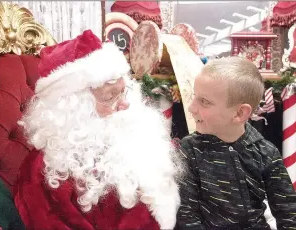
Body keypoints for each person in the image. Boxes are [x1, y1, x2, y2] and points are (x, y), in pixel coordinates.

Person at [13, 30, 183, 230]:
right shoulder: (45, 170)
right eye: (110, 97)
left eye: (123, 91)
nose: (125, 105)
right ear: (73, 110)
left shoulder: (137, 137)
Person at [175, 57, 296, 229]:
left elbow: (290, 212)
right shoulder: (189, 150)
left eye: (204, 101)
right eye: (194, 97)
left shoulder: (266, 153)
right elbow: (187, 216)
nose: (191, 108)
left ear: (240, 113)